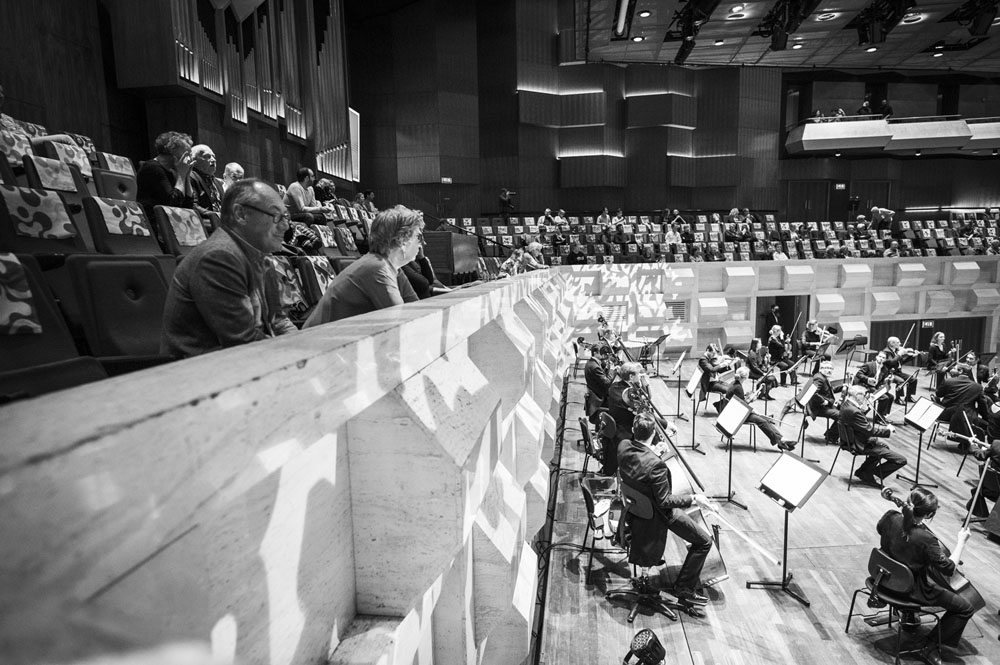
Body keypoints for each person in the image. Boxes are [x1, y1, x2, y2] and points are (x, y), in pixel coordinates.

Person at [160, 178, 296, 358]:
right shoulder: (218, 257)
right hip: (200, 373)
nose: (285, 226)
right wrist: (295, 356)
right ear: (241, 214)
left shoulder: (262, 258)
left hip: (242, 362)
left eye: (286, 216)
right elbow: (242, 341)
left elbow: (277, 321)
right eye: (276, 216)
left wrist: (301, 344)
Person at [616, 414, 712, 609]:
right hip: (658, 515)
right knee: (704, 541)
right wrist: (694, 499)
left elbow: (640, 465)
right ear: (654, 433)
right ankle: (684, 588)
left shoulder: (623, 446)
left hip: (636, 510)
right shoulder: (656, 466)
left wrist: (653, 453)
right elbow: (665, 500)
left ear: (634, 430)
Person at [877, 488, 977, 665]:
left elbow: (881, 530)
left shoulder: (890, 517)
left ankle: (908, 615)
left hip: (884, 579)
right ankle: (928, 646)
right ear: (930, 513)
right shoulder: (926, 538)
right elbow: (948, 568)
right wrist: (961, 542)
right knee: (965, 608)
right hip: (908, 590)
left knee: (911, 565)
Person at [303, 205, 422, 326]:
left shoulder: (393, 268)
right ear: (402, 241)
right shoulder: (376, 268)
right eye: (418, 237)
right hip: (317, 341)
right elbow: (402, 323)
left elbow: (416, 312)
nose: (422, 243)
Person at [839, 385, 906, 485]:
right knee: (901, 460)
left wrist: (865, 407)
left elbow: (859, 423)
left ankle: (863, 472)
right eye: (865, 395)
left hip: (849, 440)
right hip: (858, 444)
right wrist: (888, 431)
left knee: (884, 447)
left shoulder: (847, 404)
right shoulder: (854, 411)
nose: (866, 398)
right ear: (858, 395)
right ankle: (871, 473)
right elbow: (869, 430)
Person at [722, 367, 796, 450]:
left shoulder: (734, 383)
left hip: (732, 410)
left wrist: (748, 397)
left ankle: (780, 440)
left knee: (763, 419)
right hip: (735, 414)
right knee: (762, 420)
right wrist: (753, 409)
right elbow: (743, 405)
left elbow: (739, 399)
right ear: (746, 377)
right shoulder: (738, 387)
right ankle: (780, 441)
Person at [136, 130, 195, 223]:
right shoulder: (152, 168)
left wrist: (186, 176)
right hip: (153, 224)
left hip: (169, 223)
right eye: (186, 154)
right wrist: (181, 175)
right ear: (172, 151)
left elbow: (188, 207)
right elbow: (171, 205)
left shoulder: (172, 172)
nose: (189, 159)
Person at [809, 360, 841, 445]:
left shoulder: (823, 377)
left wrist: (842, 387)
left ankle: (831, 434)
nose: (829, 370)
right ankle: (831, 436)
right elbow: (813, 393)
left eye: (831, 368)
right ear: (821, 369)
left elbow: (828, 391)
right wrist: (824, 401)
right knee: (841, 416)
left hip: (824, 405)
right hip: (818, 407)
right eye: (826, 368)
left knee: (844, 409)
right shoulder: (819, 378)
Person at [854, 351, 894, 417]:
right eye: (880, 356)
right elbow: (859, 374)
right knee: (884, 398)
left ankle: (883, 415)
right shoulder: (869, 364)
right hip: (866, 386)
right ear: (876, 357)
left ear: (885, 360)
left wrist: (886, 381)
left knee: (891, 397)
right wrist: (868, 379)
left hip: (875, 387)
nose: (881, 359)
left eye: (883, 358)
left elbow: (881, 381)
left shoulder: (885, 369)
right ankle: (878, 418)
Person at [188, 144, 223, 219]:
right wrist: (215, 215)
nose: (213, 160)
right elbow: (194, 206)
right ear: (194, 160)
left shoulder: (218, 182)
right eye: (207, 156)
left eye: (214, 156)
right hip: (204, 222)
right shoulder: (190, 177)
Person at [584, 344, 616, 418]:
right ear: (595, 353)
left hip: (596, 392)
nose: (604, 355)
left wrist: (608, 367)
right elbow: (607, 383)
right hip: (599, 397)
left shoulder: (592, 362)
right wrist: (612, 370)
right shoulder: (594, 367)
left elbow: (601, 374)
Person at [884, 336, 918, 403]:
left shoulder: (896, 351)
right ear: (891, 343)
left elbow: (901, 362)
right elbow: (891, 362)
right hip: (889, 373)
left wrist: (912, 357)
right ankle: (898, 398)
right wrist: (899, 354)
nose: (900, 344)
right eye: (898, 342)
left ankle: (908, 397)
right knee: (901, 381)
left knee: (913, 379)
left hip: (898, 372)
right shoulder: (886, 352)